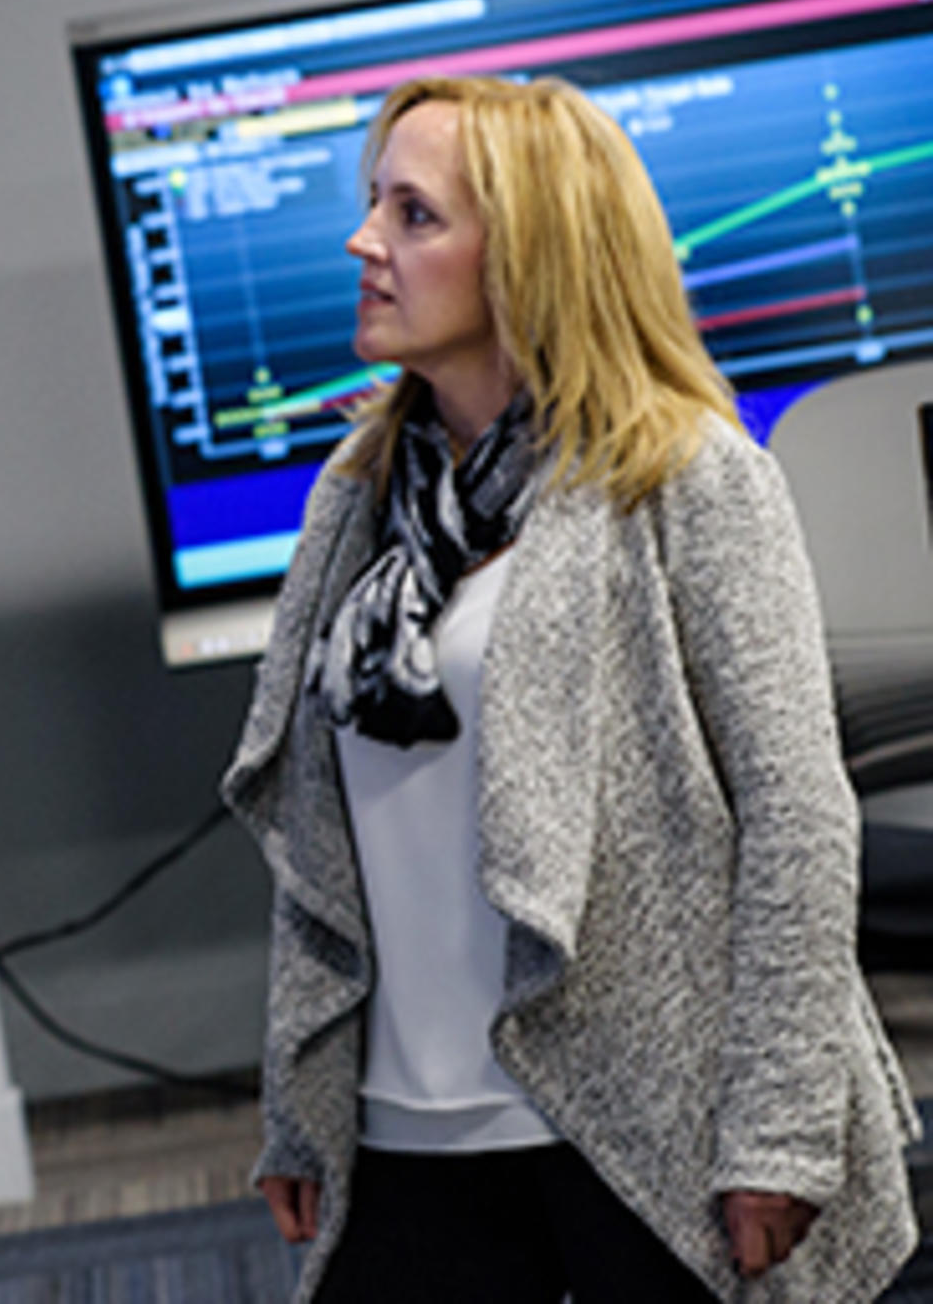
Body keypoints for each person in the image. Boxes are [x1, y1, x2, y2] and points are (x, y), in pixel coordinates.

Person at [221, 74, 920, 1303]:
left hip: (644, 1120)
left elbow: (799, 816)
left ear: (530, 254)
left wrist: (782, 1127)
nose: (363, 241)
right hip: (403, 1132)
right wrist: (303, 1096)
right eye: (371, 204)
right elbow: (322, 835)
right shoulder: (361, 492)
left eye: (413, 214)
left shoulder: (685, 474)